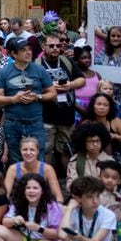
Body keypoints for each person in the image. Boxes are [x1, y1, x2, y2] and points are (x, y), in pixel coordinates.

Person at [0, 37, 56, 162]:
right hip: (12, 122)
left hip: (35, 121)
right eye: (23, 50)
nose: (28, 52)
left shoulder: (39, 70)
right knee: (15, 159)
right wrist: (14, 99)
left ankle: (38, 181)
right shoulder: (4, 72)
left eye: (29, 49)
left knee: (38, 157)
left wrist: (38, 97)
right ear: (13, 54)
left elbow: (52, 93)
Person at [37, 33, 85, 168]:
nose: (55, 48)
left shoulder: (66, 61)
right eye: (51, 46)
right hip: (46, 115)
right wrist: (51, 88)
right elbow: (32, 88)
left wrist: (70, 85)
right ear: (43, 46)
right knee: (46, 149)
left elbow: (81, 79)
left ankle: (68, 180)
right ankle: (46, 180)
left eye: (58, 46)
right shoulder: (36, 64)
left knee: (66, 149)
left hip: (66, 114)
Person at [4, 136, 64, 203]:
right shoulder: (13, 169)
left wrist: (58, 209)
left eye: (32, 150)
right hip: (20, 205)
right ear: (20, 151)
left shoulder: (47, 169)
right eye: (25, 149)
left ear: (37, 151)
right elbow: (6, 194)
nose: (28, 153)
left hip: (42, 205)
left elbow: (58, 196)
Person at [66, 121, 115, 190]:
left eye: (97, 141)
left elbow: (113, 186)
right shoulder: (75, 161)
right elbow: (70, 186)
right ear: (83, 143)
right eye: (91, 141)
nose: (95, 144)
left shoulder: (110, 161)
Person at [98, 161, 121, 225]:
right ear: (100, 177)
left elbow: (120, 210)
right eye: (106, 177)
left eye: (114, 178)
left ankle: (119, 233)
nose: (110, 180)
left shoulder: (118, 196)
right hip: (99, 223)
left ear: (119, 181)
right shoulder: (96, 194)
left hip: (113, 223)